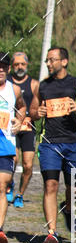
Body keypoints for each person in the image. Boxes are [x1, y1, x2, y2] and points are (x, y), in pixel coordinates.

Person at [37, 47, 76, 243]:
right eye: (47, 60)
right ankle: (52, 234)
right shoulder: (43, 86)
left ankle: (69, 209)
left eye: (52, 60)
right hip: (49, 143)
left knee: (74, 188)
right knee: (50, 185)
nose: (48, 64)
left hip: (73, 143)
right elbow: (32, 110)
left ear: (64, 61)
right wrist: (37, 112)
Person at [0, 52, 27, 243]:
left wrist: (20, 120)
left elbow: (22, 107)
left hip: (6, 144)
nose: (0, 69)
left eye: (3, 66)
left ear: (8, 69)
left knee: (1, 187)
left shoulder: (14, 89)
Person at [7, 52, 39, 208]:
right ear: (11, 66)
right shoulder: (6, 83)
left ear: (27, 65)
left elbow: (36, 109)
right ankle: (9, 184)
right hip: (10, 127)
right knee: (13, 159)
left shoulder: (34, 84)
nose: (19, 67)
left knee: (28, 165)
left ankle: (20, 194)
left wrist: (33, 115)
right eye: (16, 64)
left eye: (23, 64)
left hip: (28, 127)